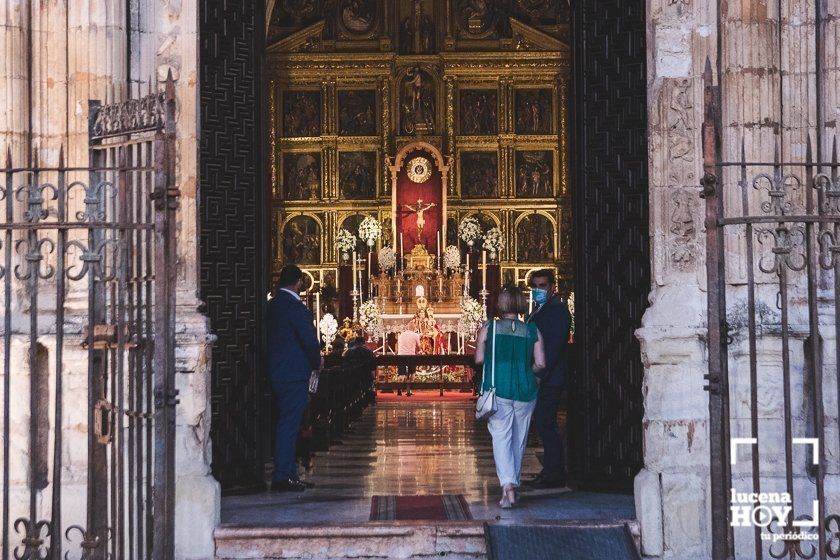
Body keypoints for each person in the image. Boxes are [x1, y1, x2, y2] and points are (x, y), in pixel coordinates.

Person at [475, 286, 545, 509]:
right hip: (525, 390)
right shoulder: (533, 330)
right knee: (519, 438)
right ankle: (511, 485)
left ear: (500, 305)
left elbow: (478, 359)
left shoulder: (490, 328)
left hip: (499, 389)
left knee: (501, 438)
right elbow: (541, 363)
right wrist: (527, 371)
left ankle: (507, 487)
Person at [266, 264, 322, 492]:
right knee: (290, 425)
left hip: (276, 371)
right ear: (299, 282)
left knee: (285, 423)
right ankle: (283, 476)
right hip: (293, 374)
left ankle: (289, 473)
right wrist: (317, 361)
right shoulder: (296, 308)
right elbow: (308, 340)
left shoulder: (272, 305)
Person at [525, 269, 572, 489]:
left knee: (547, 425)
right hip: (541, 375)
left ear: (552, 287)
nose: (538, 290)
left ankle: (555, 474)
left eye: (542, 286)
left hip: (550, 378)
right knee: (543, 425)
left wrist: (540, 374)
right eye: (534, 286)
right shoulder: (538, 310)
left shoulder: (558, 310)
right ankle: (550, 471)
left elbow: (554, 347)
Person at [396, 319, 421, 396]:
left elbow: (398, 346)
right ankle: (408, 390)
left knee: (402, 374)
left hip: (401, 356)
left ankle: (399, 389)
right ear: (414, 328)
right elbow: (419, 348)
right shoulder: (416, 335)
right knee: (412, 373)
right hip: (411, 356)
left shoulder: (401, 334)